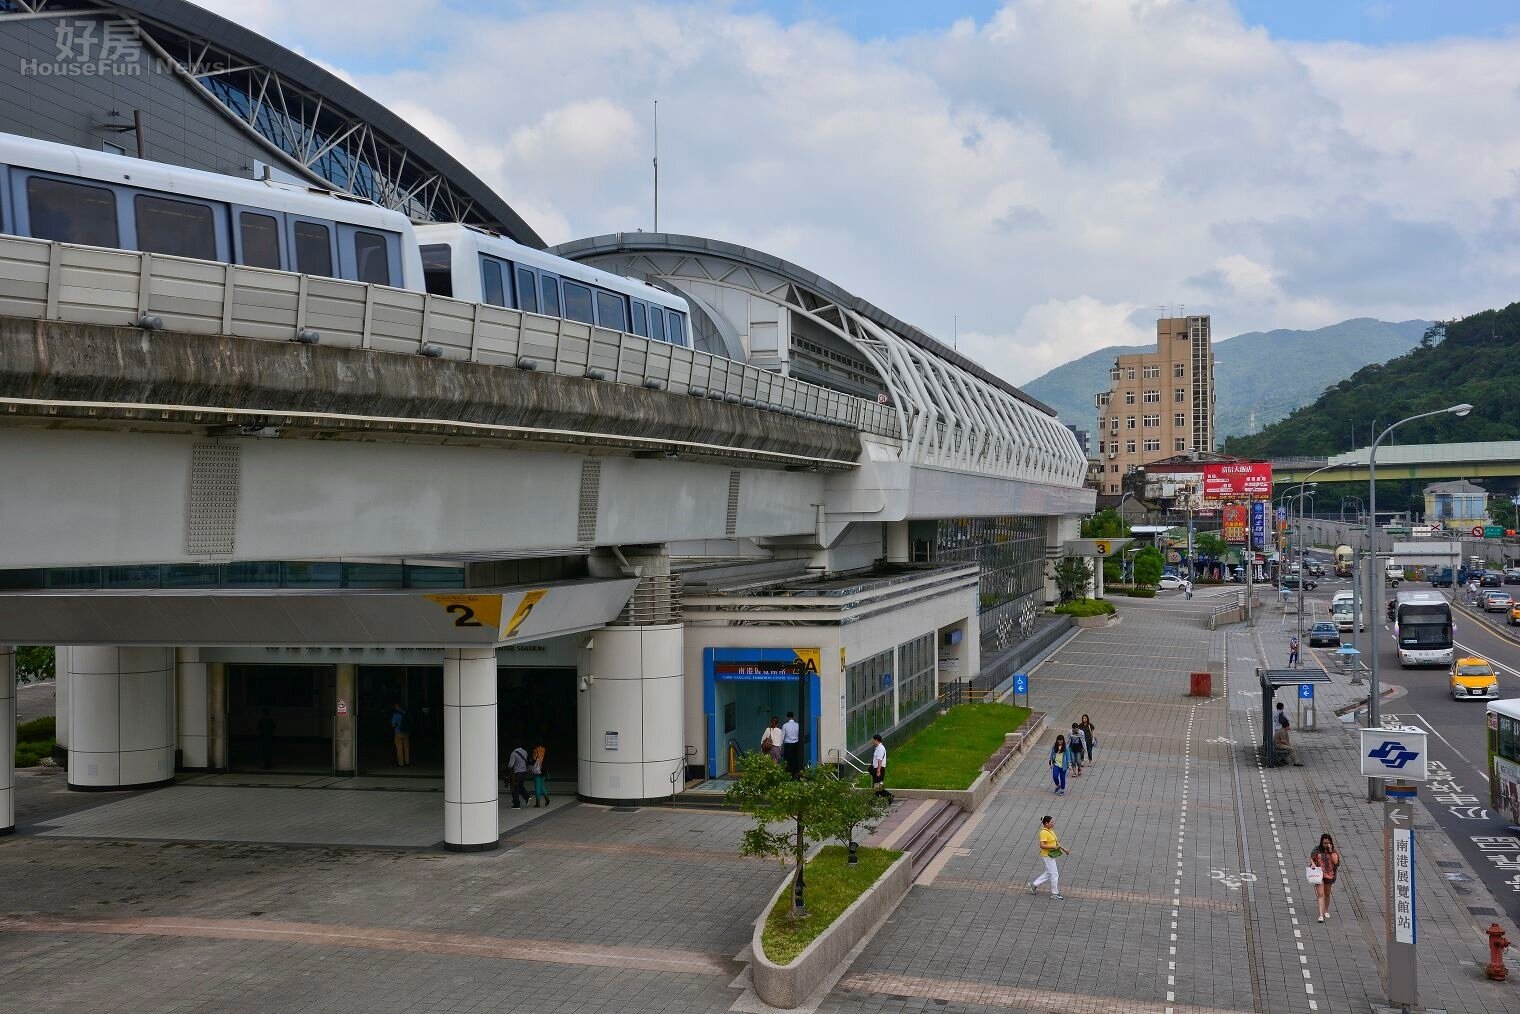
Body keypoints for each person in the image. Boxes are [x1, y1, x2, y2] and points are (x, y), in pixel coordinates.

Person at [1028, 815, 1069, 899]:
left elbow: (1055, 842)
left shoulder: (1050, 830)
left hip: (1051, 855)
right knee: (1054, 875)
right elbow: (1042, 845)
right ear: (1046, 823)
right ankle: (1055, 894)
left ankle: (1034, 884)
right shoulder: (1044, 832)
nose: (1053, 823)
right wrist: (1053, 847)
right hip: (1047, 856)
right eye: (1051, 822)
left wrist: (1063, 849)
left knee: (1048, 873)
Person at [1309, 833, 1341, 922]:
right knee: (1320, 894)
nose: (1326, 845)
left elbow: (1336, 862)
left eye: (1328, 843)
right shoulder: (1317, 850)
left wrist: (1331, 851)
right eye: (1324, 843)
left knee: (1327, 893)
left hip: (1329, 875)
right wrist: (1313, 863)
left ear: (1330, 843)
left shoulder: (1333, 852)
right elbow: (1312, 858)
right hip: (1319, 874)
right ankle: (1320, 915)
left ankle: (1326, 910)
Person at [506, 743, 531, 808]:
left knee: (515, 788)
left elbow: (510, 765)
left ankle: (516, 805)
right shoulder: (525, 752)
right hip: (524, 772)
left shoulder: (513, 753)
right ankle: (527, 797)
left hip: (517, 774)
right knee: (521, 786)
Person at [870, 733, 893, 802]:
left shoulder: (880, 748)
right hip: (878, 769)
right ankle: (875, 799)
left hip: (879, 769)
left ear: (876, 740)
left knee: (878, 786)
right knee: (876, 786)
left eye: (873, 740)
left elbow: (880, 760)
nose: (872, 741)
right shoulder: (878, 748)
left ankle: (889, 795)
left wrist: (878, 771)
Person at [781, 711, 801, 777]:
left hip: (788, 745)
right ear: (794, 717)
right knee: (795, 759)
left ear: (787, 717)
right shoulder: (797, 725)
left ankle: (788, 774)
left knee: (788, 760)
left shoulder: (785, 725)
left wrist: (781, 746)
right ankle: (795, 773)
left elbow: (782, 737)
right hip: (796, 744)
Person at [391, 702, 411, 767]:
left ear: (397, 707)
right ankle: (407, 762)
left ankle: (401, 763)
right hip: (406, 732)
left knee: (399, 748)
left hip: (398, 732)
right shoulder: (407, 713)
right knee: (406, 748)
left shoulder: (396, 714)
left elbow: (393, 725)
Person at [531, 742, 550, 808]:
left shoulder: (535, 750)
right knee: (541, 784)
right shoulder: (545, 750)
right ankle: (547, 798)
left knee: (537, 786)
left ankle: (538, 803)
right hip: (544, 770)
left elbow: (533, 759)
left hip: (537, 770)